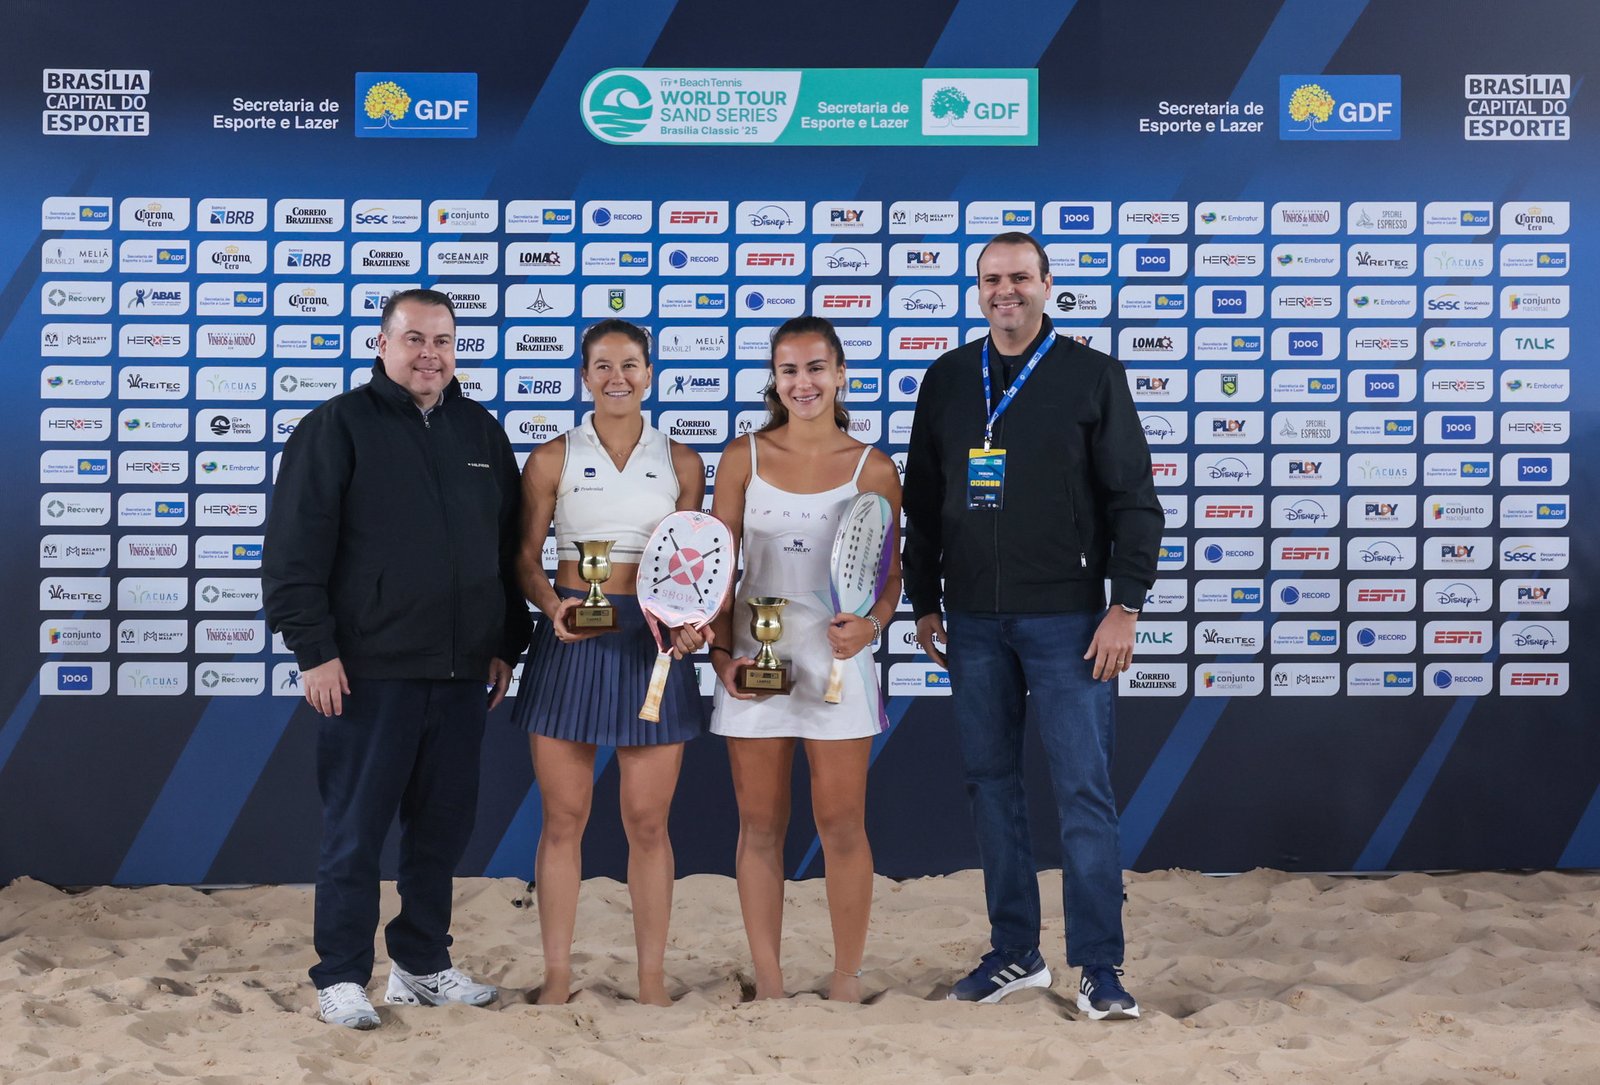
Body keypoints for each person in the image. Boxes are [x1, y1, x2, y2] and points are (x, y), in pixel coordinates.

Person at [901, 232, 1162, 1020]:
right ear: (977, 289)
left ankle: (1101, 968)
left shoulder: (1091, 375)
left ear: (1048, 285)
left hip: (1071, 621)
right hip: (974, 620)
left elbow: (1134, 499)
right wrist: (923, 600)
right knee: (991, 787)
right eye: (991, 279)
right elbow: (922, 501)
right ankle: (1015, 950)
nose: (1004, 290)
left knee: (1083, 792)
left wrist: (1127, 603)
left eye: (1020, 277)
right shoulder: (948, 378)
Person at [263, 288, 531, 1030]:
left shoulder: (481, 431)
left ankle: (420, 962)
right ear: (382, 345)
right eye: (414, 339)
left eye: (442, 341)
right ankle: (342, 974)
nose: (429, 354)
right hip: (367, 671)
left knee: (439, 829)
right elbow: (292, 553)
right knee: (355, 829)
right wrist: (314, 652)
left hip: (460, 674)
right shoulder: (335, 428)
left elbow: (503, 552)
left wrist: (507, 641)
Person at [511, 320, 708, 1006]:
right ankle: (559, 975)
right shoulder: (551, 457)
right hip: (572, 635)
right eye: (602, 365)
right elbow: (523, 555)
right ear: (584, 376)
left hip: (651, 642)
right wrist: (550, 603)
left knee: (648, 823)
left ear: (650, 373)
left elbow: (697, 561)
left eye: (629, 364)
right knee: (563, 819)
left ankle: (652, 980)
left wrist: (690, 624)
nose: (616, 376)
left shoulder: (682, 460)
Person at [707, 316, 902, 1003]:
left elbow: (891, 573)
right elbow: (716, 570)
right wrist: (722, 651)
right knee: (760, 825)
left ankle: (846, 978)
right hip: (753, 673)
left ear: (841, 374)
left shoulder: (872, 465)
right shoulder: (743, 458)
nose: (803, 382)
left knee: (843, 823)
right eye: (788, 370)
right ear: (775, 380)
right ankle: (769, 980)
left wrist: (871, 626)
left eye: (816, 367)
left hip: (838, 668)